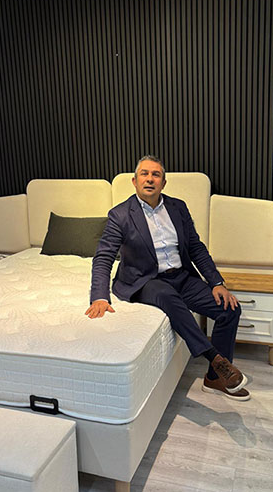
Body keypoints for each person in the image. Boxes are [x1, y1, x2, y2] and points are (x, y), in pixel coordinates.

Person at [85, 156, 250, 401]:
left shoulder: (178, 207)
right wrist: (99, 296)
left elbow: (195, 247)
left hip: (181, 276)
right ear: (134, 181)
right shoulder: (120, 214)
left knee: (229, 309)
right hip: (145, 280)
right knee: (166, 296)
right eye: (144, 174)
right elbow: (103, 257)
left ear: (163, 183)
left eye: (156, 175)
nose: (149, 179)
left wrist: (217, 282)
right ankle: (216, 359)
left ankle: (215, 379)